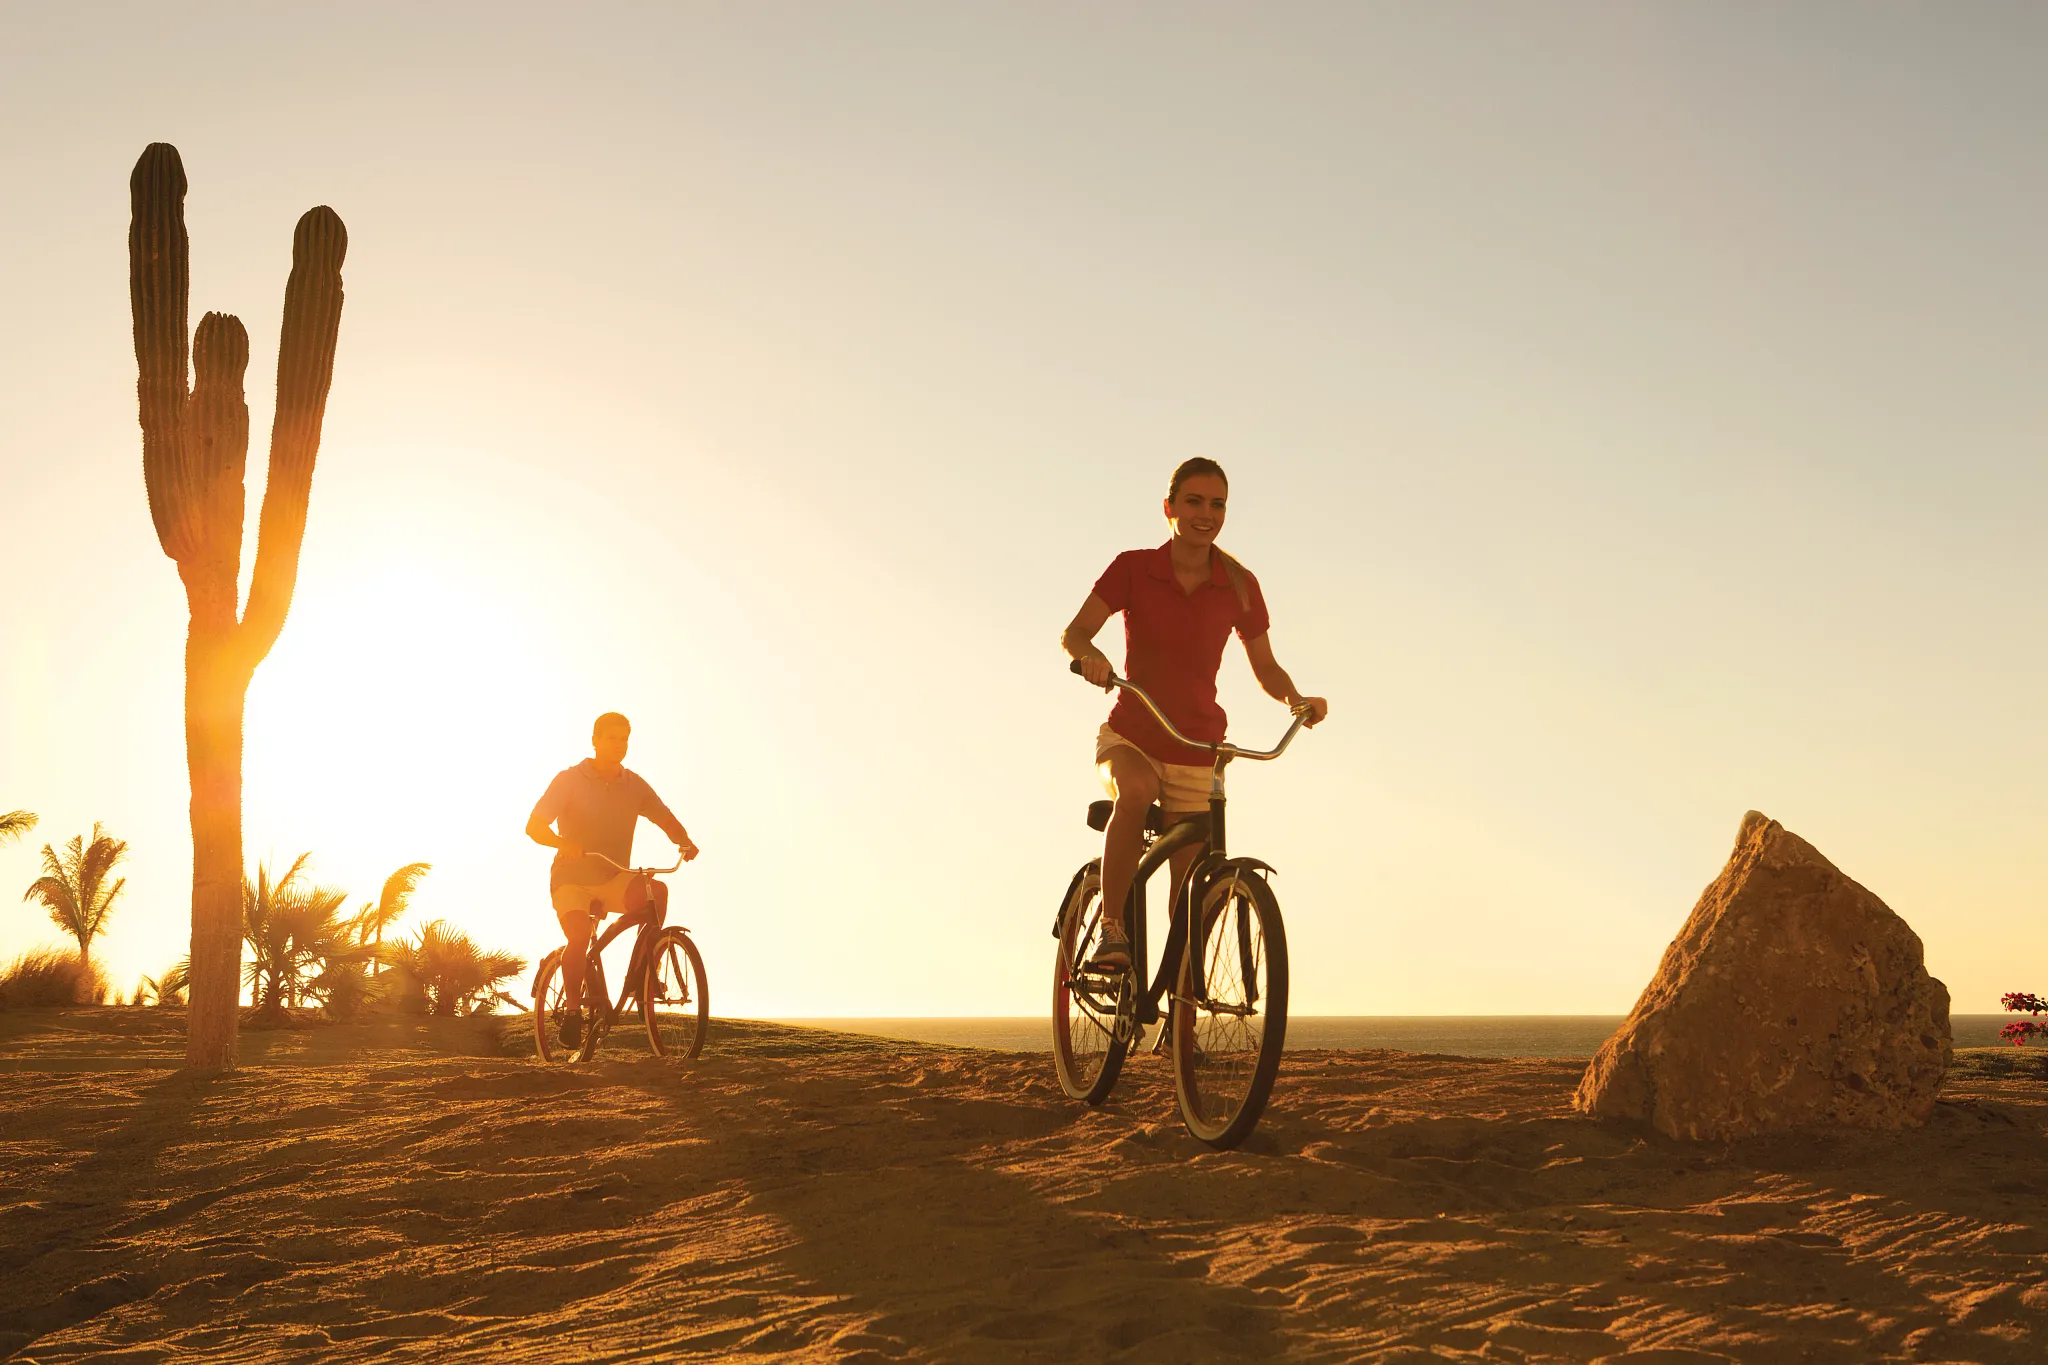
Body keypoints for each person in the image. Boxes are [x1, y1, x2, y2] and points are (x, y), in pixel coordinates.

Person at [1060, 458, 1327, 970]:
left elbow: (1266, 666)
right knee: (1133, 793)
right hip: (1133, 735)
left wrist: (1295, 700)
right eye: (1194, 502)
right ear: (1169, 507)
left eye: (1217, 504)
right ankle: (1112, 931)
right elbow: (1075, 632)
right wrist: (1089, 657)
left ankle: (1180, 1008)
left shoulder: (1240, 585)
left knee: (1187, 896)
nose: (1206, 514)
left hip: (1199, 749)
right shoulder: (1134, 567)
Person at [526, 712, 698, 1043]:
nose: (619, 745)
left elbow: (663, 816)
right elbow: (534, 826)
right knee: (578, 937)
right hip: (571, 878)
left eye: (624, 739)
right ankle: (574, 1013)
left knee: (656, 892)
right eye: (611, 738)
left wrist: (684, 840)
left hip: (614, 877)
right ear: (595, 740)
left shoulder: (633, 783)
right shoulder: (570, 779)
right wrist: (564, 843)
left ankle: (645, 973)